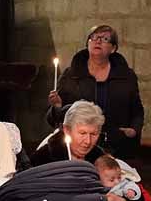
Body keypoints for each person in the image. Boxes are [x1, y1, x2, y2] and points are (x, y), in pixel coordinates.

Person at [46, 24, 144, 159]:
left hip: (117, 145)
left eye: (104, 39)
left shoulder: (126, 76)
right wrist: (57, 107)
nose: (97, 41)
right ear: (87, 44)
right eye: (93, 37)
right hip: (81, 147)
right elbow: (56, 118)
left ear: (113, 48)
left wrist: (133, 130)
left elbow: (137, 110)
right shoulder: (72, 74)